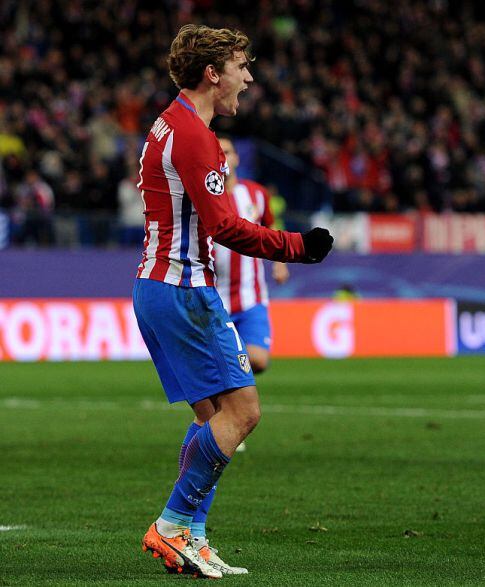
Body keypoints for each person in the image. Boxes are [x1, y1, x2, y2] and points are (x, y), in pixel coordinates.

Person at [132, 24, 333, 579]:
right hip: (184, 289)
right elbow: (223, 226)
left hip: (159, 286)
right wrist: (297, 247)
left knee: (212, 419)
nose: (250, 78)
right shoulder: (194, 135)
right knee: (243, 411)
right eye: (242, 67)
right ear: (213, 73)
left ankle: (191, 536)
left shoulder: (168, 125)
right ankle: (172, 526)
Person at [214, 136, 288, 376]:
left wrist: (279, 263)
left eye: (227, 151)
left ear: (236, 158)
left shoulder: (257, 194)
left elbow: (271, 231)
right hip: (214, 299)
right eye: (217, 152)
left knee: (257, 360)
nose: (222, 156)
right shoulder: (204, 198)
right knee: (220, 363)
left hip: (251, 296)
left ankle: (230, 390)